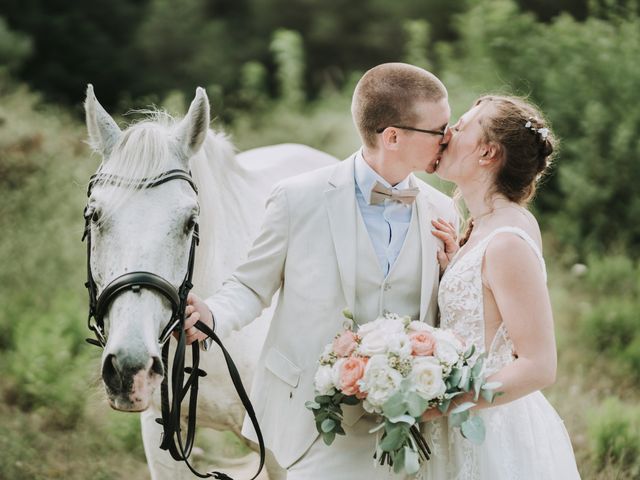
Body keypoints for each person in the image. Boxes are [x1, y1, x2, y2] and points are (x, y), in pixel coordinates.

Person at [182, 63, 458, 479]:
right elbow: (250, 286)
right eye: (439, 129)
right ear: (393, 136)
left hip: (407, 426)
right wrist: (212, 315)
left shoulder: (442, 210)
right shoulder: (298, 199)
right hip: (313, 420)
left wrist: (455, 270)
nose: (449, 137)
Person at [421, 95, 581, 479]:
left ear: (487, 153)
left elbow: (539, 366)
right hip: (468, 418)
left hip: (490, 429)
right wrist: (456, 266)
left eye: (460, 127)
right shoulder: (487, 224)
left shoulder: (507, 239)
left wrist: (442, 403)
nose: (447, 133)